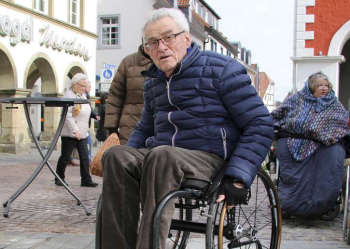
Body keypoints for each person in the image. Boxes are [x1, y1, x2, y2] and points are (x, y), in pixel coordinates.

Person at [100, 8, 273, 249]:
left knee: (162, 155)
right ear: (147, 49)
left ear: (187, 38)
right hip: (163, 160)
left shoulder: (222, 70)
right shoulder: (153, 82)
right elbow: (144, 128)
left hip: (210, 159)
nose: (161, 47)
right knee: (116, 156)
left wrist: (239, 177)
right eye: (152, 43)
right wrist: (128, 160)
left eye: (168, 37)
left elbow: (260, 124)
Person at [271, 71, 350, 219]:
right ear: (311, 86)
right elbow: (276, 115)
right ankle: (289, 204)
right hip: (296, 141)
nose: (323, 88)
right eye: (319, 85)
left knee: (333, 158)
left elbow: (341, 125)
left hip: (327, 144)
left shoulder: (335, 104)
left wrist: (323, 134)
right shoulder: (296, 99)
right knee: (296, 168)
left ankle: (323, 203)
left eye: (326, 85)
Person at [55, 73, 98, 188]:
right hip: (70, 133)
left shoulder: (82, 96)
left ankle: (86, 180)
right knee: (65, 156)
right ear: (75, 84)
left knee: (84, 157)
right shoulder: (68, 96)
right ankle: (59, 177)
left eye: (85, 86)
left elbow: (87, 111)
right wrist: (75, 131)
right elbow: (67, 116)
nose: (84, 88)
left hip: (83, 132)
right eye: (82, 85)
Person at [104, 44, 152, 145]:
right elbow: (115, 96)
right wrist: (112, 128)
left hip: (160, 126)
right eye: (149, 41)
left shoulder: (167, 61)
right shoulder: (128, 62)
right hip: (130, 126)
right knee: (129, 158)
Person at [85, 80, 100, 163]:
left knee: (88, 142)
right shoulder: (82, 96)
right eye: (89, 87)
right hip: (81, 125)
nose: (90, 88)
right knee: (88, 142)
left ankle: (88, 160)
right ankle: (88, 160)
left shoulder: (87, 96)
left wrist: (95, 115)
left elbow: (89, 109)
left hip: (85, 125)